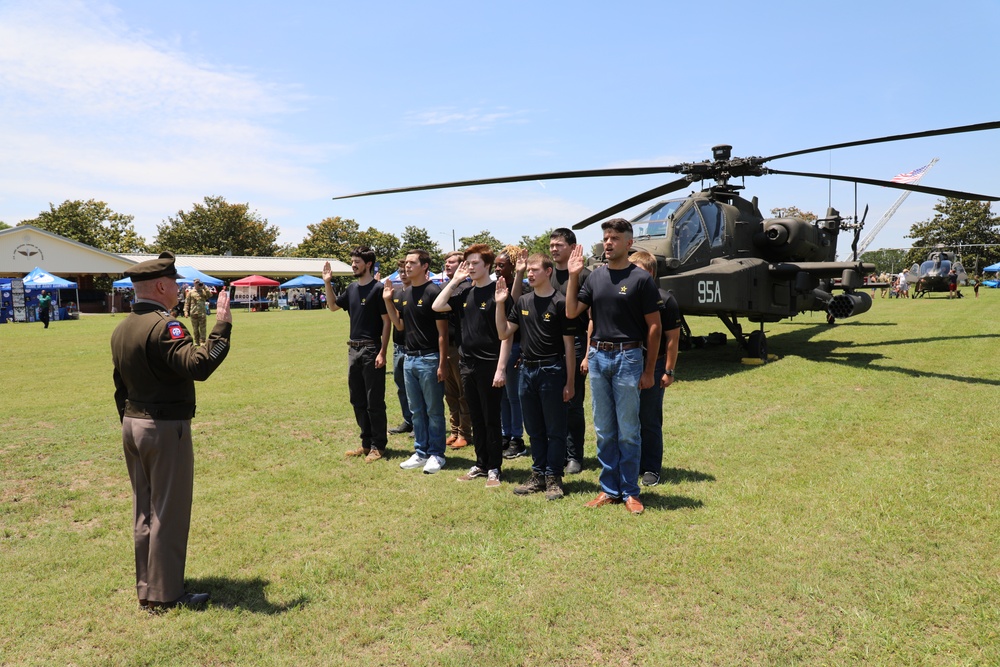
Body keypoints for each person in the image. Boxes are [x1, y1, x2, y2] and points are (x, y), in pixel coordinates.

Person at [110, 251, 233, 611]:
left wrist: (131, 421)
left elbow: (120, 385)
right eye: (175, 283)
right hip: (163, 428)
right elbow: (199, 365)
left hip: (134, 424)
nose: (179, 288)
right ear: (162, 286)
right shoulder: (166, 326)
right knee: (168, 511)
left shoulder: (123, 326)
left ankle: (148, 586)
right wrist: (222, 325)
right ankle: (166, 594)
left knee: (145, 510)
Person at [565, 219, 662, 515]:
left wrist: (649, 370)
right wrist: (573, 276)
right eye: (606, 238)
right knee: (605, 429)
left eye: (615, 238)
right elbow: (571, 312)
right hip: (597, 357)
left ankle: (630, 491)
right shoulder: (594, 277)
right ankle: (609, 489)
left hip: (628, 357)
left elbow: (655, 327)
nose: (608, 243)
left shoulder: (641, 279)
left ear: (629, 244)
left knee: (629, 430)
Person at [497, 253, 576, 500]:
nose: (529, 274)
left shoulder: (560, 303)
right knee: (534, 429)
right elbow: (503, 333)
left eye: (534, 270)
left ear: (548, 271)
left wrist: (570, 382)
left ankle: (554, 478)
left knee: (555, 429)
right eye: (528, 270)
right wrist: (500, 303)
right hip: (526, 371)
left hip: (552, 371)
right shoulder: (522, 301)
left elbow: (569, 347)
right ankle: (538, 475)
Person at [433, 245, 512, 488]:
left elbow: (507, 335)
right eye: (467, 264)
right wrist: (455, 280)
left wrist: (500, 369)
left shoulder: (498, 291)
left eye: (475, 263)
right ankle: (480, 463)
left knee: (490, 418)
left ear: (487, 265)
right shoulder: (464, 292)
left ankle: (494, 468)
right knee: (476, 417)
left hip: (490, 364)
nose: (471, 268)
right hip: (467, 364)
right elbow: (437, 305)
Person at [383, 249, 449, 473]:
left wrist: (442, 363)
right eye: (406, 263)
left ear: (425, 266)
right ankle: (421, 452)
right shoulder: (404, 292)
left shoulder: (433, 292)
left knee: (433, 409)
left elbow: (443, 334)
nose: (407, 266)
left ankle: (437, 454)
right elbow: (399, 326)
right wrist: (388, 303)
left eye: (412, 263)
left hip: (430, 359)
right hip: (409, 359)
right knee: (416, 410)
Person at [324, 247, 391, 462]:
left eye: (357, 261)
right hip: (353, 349)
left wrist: (382, 351)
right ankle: (366, 443)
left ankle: (378, 446)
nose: (353, 264)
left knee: (374, 400)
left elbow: (387, 322)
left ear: (368, 264)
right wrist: (327, 282)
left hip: (372, 348)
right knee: (357, 399)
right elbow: (333, 306)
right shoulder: (352, 289)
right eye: (352, 261)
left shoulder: (378, 289)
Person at [628, 251, 681, 487]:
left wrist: (668, 370)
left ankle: (651, 467)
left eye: (635, 270)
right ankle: (631, 463)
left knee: (649, 418)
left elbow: (672, 339)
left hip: (655, 361)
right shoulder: (626, 297)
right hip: (626, 361)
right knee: (627, 418)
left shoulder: (665, 300)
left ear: (649, 273)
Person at [549, 228, 591, 474]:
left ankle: (575, 456)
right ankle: (558, 453)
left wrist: (586, 354)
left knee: (573, 403)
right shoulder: (547, 274)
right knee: (553, 404)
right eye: (552, 245)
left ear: (573, 247)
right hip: (549, 348)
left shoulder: (585, 276)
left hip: (575, 346)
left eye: (559, 245)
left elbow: (592, 320)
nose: (554, 249)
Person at [495, 250, 527, 459]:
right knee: (503, 397)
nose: (497, 269)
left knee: (514, 396)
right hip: (498, 349)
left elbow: (515, 309)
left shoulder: (523, 288)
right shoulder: (495, 288)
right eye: (496, 265)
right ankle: (505, 434)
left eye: (502, 265)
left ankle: (517, 438)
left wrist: (521, 352)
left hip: (515, 347)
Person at [441, 250, 473, 449]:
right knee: (449, 393)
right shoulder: (445, 288)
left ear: (463, 266)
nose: (447, 265)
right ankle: (453, 431)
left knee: (464, 394)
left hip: (461, 347)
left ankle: (465, 433)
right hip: (445, 345)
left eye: (452, 262)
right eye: (446, 262)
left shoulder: (468, 288)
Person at [388, 259, 414, 435]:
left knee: (416, 389)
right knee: (401, 387)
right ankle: (408, 420)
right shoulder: (395, 294)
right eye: (400, 271)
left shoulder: (417, 293)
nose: (403, 274)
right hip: (398, 346)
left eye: (405, 271)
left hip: (414, 347)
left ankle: (419, 421)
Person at [183, 279, 212, 346]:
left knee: (203, 328)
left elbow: (210, 295)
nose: (197, 284)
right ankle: (196, 341)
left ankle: (202, 341)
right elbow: (187, 302)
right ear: (194, 284)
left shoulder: (203, 291)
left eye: (198, 283)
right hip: (193, 312)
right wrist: (185, 311)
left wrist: (204, 287)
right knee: (195, 328)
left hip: (202, 312)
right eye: (196, 283)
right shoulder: (191, 292)